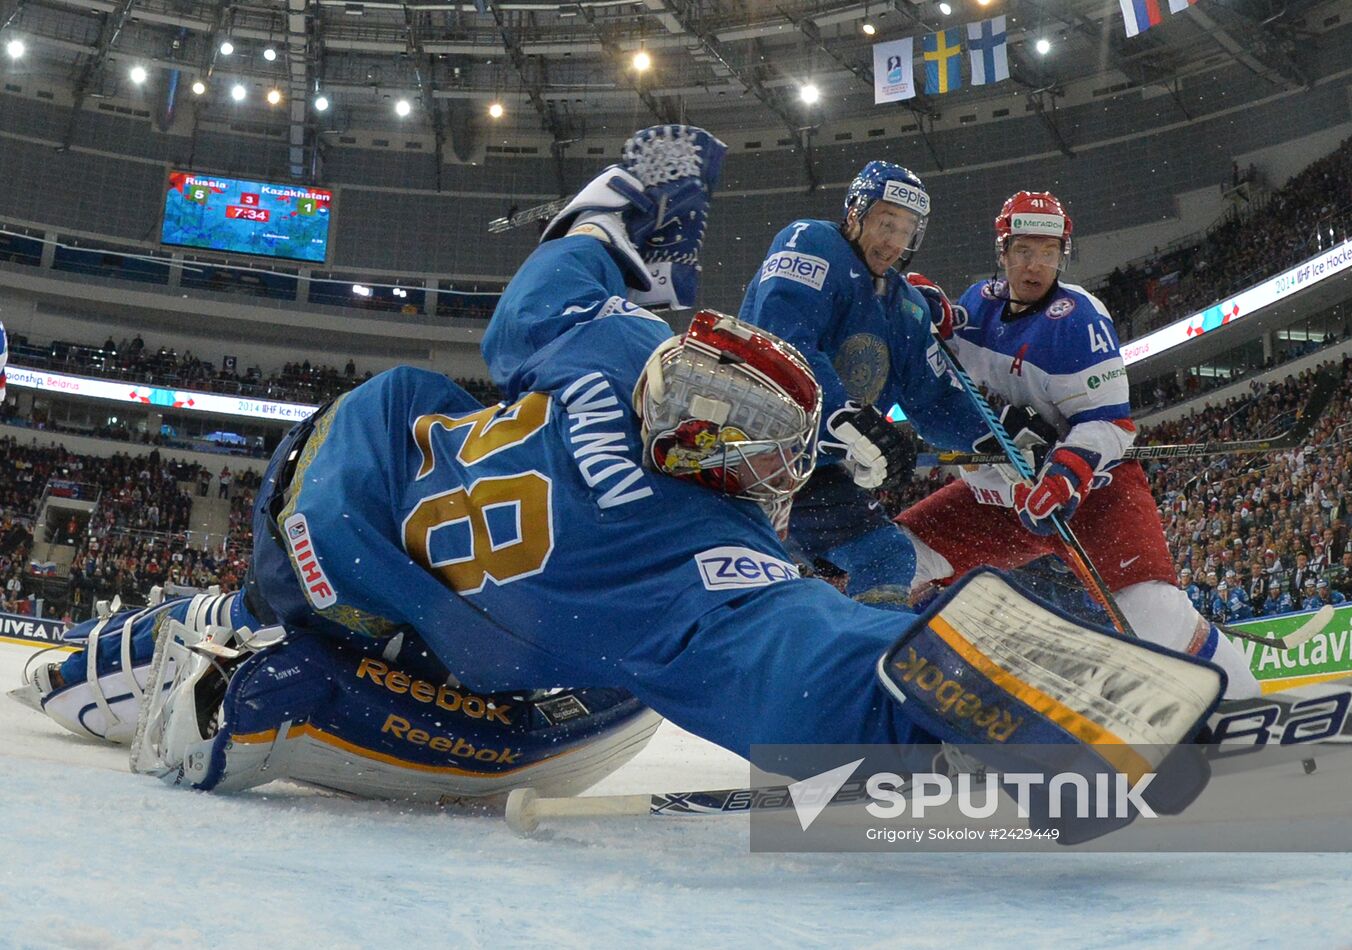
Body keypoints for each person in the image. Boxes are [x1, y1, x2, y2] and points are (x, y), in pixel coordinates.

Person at [14, 128, 1222, 843]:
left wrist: (648, 195)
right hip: (380, 609)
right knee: (573, 718)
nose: (775, 468)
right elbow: (816, 676)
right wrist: (1027, 687)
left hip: (347, 455)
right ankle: (244, 693)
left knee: (442, 553)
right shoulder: (694, 561)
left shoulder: (613, 347)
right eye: (771, 450)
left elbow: (561, 272)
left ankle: (109, 660)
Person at [893, 191, 1261, 699]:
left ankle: (1246, 706)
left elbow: (1111, 425)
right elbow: (952, 341)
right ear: (1003, 251)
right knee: (895, 561)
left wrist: (1065, 475)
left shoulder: (1080, 320)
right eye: (1023, 250)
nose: (1035, 265)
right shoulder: (980, 300)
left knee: (1151, 612)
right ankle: (954, 706)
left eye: (1048, 252)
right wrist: (933, 314)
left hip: (1092, 494)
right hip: (1003, 498)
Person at [739, 161, 982, 607]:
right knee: (738, 577)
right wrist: (842, 416)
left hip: (811, 471)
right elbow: (781, 340)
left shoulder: (907, 305)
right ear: (855, 213)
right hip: (747, 451)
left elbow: (931, 400)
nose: (893, 242)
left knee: (888, 556)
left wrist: (991, 433)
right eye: (885, 223)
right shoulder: (811, 242)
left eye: (905, 231)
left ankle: (865, 662)